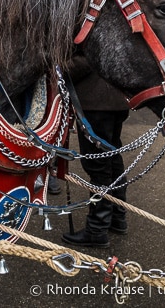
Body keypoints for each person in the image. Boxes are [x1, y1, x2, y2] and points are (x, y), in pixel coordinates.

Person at [62, 55, 130, 248]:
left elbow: (86, 60)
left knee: (99, 166)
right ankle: (117, 217)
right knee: (113, 159)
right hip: (115, 99)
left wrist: (58, 67)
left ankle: (97, 229)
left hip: (97, 102)